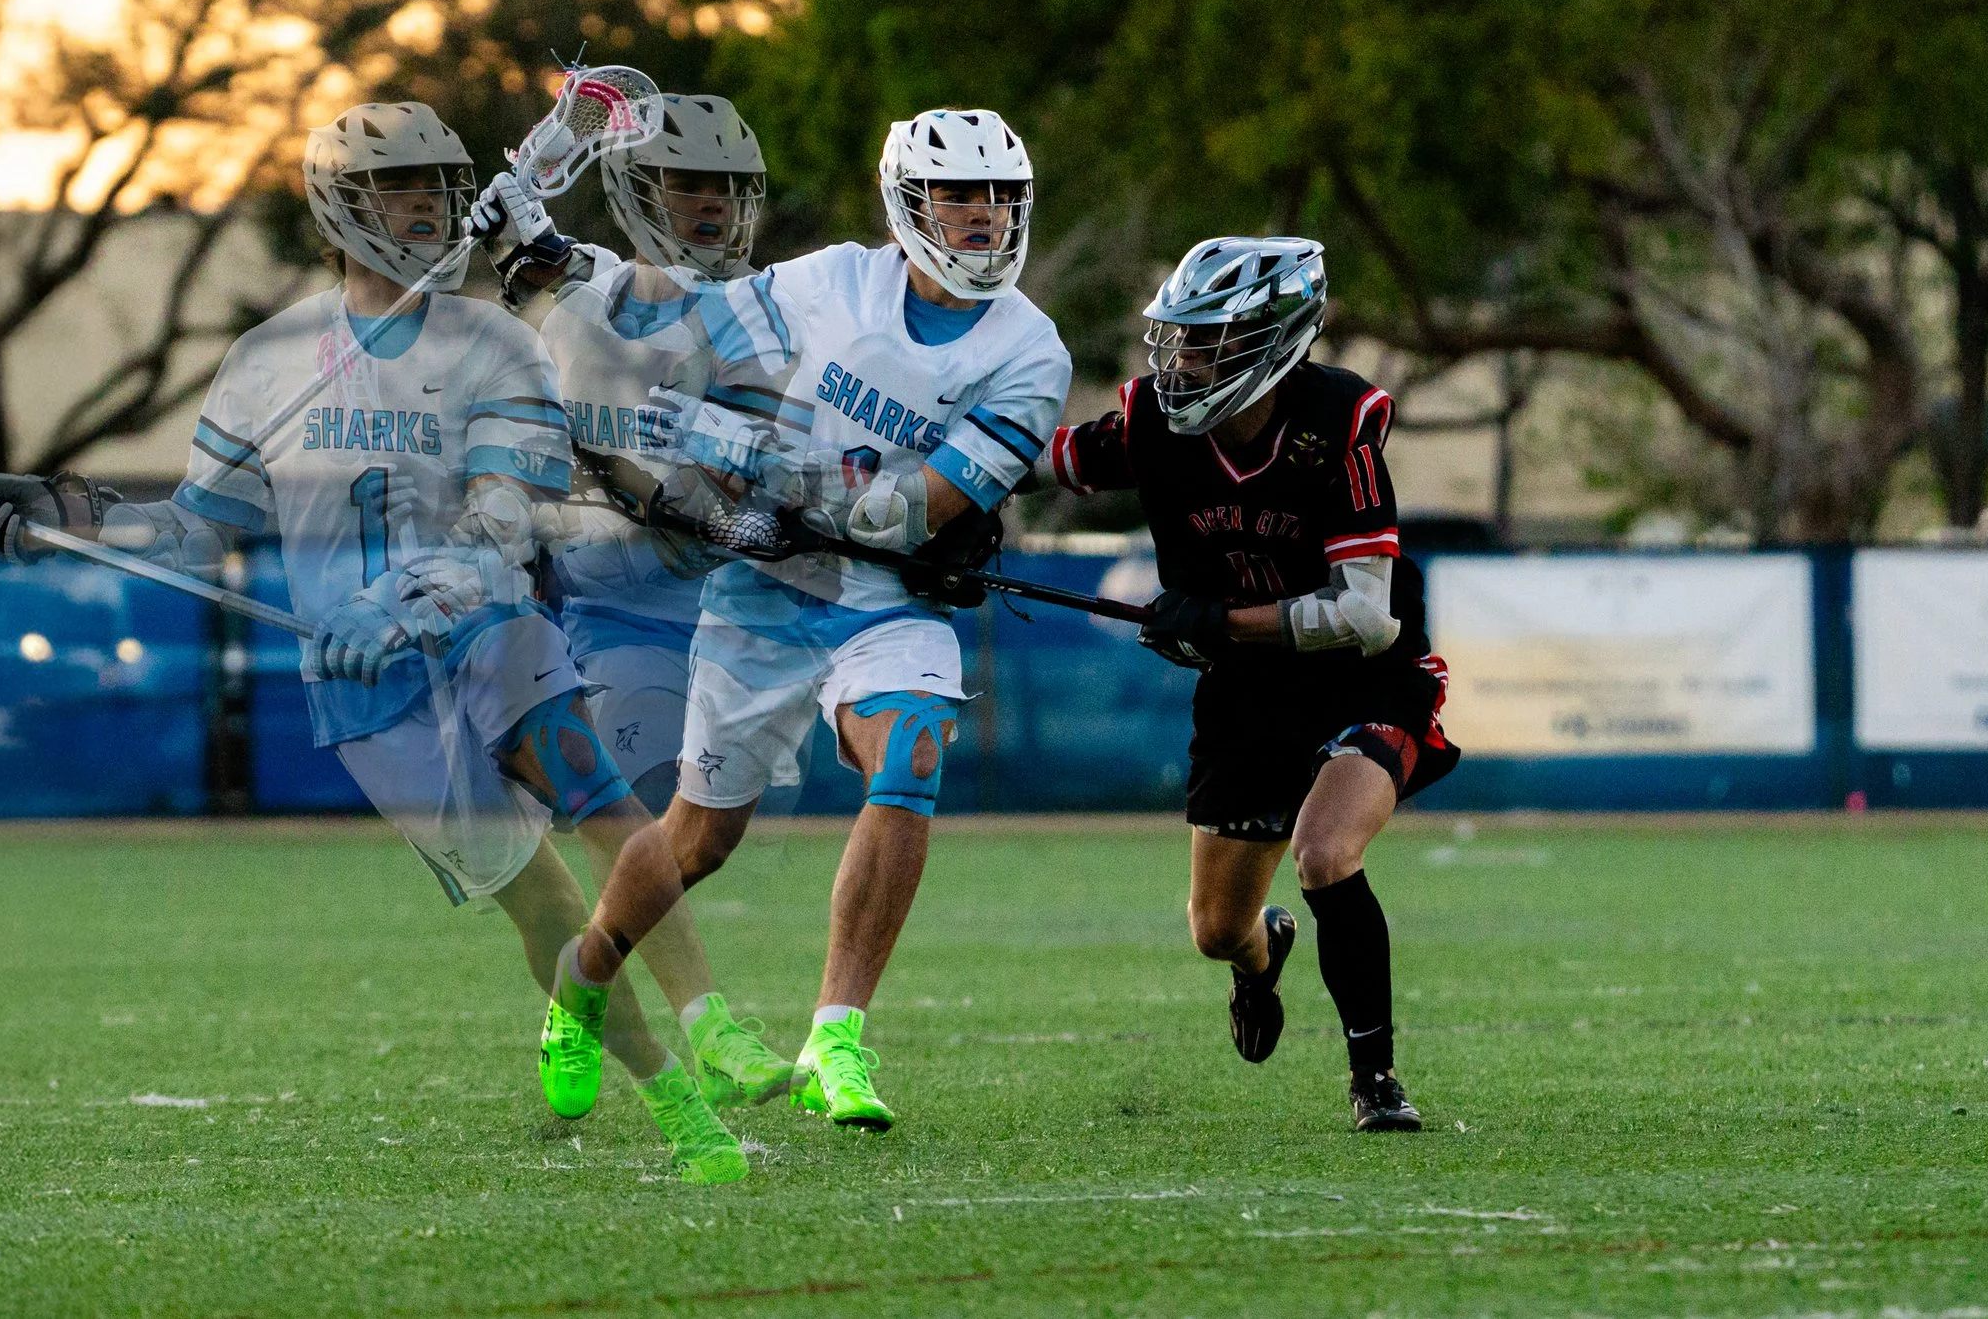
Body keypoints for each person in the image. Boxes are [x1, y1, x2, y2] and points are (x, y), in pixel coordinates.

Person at [0, 102, 747, 1183]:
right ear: (339, 205)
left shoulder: (496, 341)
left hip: (484, 629)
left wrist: (402, 600)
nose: (422, 206)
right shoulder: (270, 358)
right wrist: (68, 522)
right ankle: (596, 1016)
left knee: (593, 785)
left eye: (435, 186)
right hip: (362, 686)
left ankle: (700, 1075)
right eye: (396, 188)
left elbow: (505, 518)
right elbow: (197, 528)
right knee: (537, 898)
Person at [477, 107, 1070, 1132]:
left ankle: (836, 1035)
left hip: (888, 592)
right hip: (765, 592)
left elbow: (901, 512)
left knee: (914, 748)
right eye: (958, 196)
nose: (981, 217)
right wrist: (550, 257)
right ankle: (584, 981)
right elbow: (676, 318)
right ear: (908, 204)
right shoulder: (835, 279)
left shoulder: (1031, 351)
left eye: (999, 198)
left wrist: (751, 463)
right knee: (700, 838)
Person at [1036, 235, 1457, 1133]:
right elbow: (1044, 458)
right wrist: (943, 503)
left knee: (1325, 850)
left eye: (1207, 342)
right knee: (1215, 928)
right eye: (1179, 339)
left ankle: (1375, 1077)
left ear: (1274, 340)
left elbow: (1365, 614)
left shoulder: (1336, 428)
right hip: (1249, 694)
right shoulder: (1153, 422)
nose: (1182, 360)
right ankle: (1262, 957)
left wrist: (1221, 623)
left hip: (1365, 678)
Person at [474, 93, 797, 1111]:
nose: (711, 207)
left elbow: (727, 501)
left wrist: (649, 481)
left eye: (728, 189)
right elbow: (511, 250)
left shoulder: (764, 326)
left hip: (711, 603)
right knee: (629, 812)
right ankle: (712, 1026)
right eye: (688, 184)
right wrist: (514, 203)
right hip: (588, 604)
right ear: (637, 190)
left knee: (693, 838)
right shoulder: (580, 283)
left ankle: (580, 989)